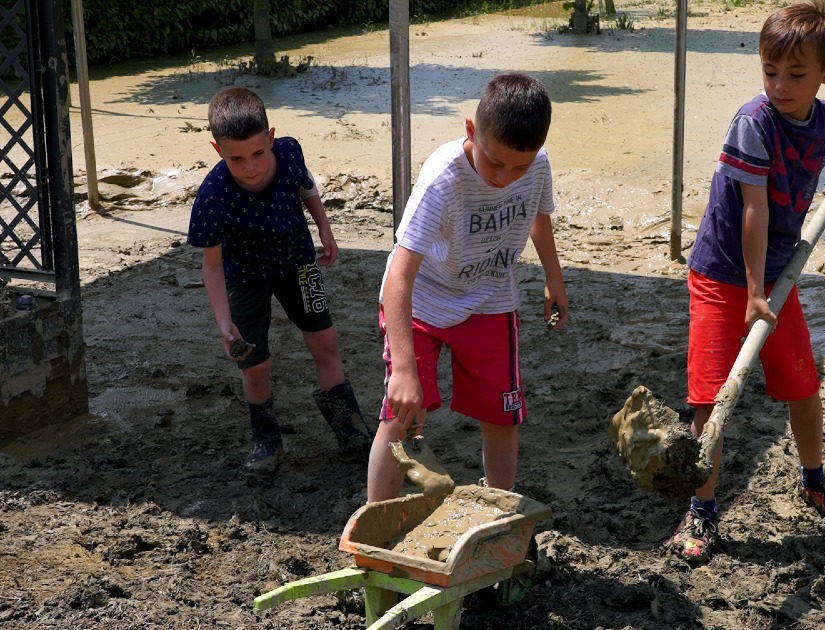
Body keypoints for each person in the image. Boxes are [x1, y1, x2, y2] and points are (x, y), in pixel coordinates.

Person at [668, 0, 825, 563]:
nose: (780, 86)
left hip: (777, 277)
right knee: (711, 399)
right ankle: (702, 509)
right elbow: (754, 210)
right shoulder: (753, 123)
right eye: (770, 72)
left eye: (797, 74)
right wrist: (753, 293)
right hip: (722, 274)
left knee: (803, 384)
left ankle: (815, 480)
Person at [368, 73, 568, 501]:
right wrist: (403, 368)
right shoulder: (442, 179)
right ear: (472, 130)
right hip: (421, 303)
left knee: (502, 416)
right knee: (402, 416)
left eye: (519, 167)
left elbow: (539, 215)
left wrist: (554, 277)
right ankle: (374, 521)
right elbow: (399, 275)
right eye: (494, 163)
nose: (506, 178)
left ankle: (499, 510)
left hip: (491, 300)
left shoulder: (537, 165)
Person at [188, 86, 374, 476]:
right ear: (217, 149)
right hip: (244, 276)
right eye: (236, 158)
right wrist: (223, 322)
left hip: (299, 262)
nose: (250, 166)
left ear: (271, 138)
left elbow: (306, 187)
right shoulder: (212, 195)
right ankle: (266, 440)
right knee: (255, 364)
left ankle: (351, 429)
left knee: (325, 340)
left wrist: (324, 227)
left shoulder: (290, 153)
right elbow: (212, 264)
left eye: (258, 153)